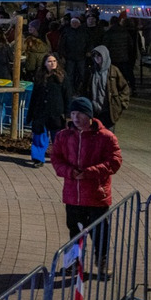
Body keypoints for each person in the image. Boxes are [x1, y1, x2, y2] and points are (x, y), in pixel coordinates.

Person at [51, 97, 122, 275]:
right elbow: (56, 159)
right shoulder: (63, 136)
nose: (75, 118)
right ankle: (72, 263)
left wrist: (90, 172)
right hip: (73, 195)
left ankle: (102, 263)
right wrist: (69, 171)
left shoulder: (106, 137)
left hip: (97, 195)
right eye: (73, 113)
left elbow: (115, 161)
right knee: (74, 230)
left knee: (100, 232)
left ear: (89, 115)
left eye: (80, 113)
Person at [28, 53, 72, 169]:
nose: (52, 63)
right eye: (49, 61)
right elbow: (34, 96)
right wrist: (30, 114)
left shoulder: (62, 77)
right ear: (44, 63)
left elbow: (68, 96)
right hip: (41, 113)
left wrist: (68, 115)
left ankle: (60, 158)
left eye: (54, 61)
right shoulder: (40, 77)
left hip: (56, 113)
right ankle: (38, 158)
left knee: (57, 138)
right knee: (39, 137)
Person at [84, 45, 129, 130]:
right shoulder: (91, 71)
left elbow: (124, 88)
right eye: (94, 55)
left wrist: (121, 104)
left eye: (99, 55)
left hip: (109, 112)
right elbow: (84, 89)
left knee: (108, 138)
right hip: (94, 112)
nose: (96, 58)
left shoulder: (113, 71)